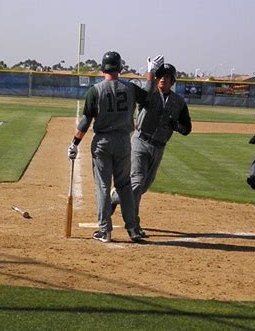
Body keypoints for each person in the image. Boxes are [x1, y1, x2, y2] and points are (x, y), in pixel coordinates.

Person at [67, 51, 164, 243]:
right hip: (123, 142)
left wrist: (74, 143)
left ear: (103, 68)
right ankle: (133, 229)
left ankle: (105, 230)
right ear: (120, 68)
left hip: (102, 142)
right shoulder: (129, 88)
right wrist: (151, 72)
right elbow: (148, 95)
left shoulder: (95, 90)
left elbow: (86, 121)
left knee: (103, 186)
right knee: (125, 186)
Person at [110, 63, 192, 237]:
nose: (163, 79)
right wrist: (150, 71)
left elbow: (187, 128)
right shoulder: (149, 94)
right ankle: (134, 226)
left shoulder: (178, 102)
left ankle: (116, 196)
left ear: (173, 81)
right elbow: (140, 96)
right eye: (160, 75)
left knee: (143, 186)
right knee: (137, 183)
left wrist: (176, 125)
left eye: (167, 77)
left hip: (159, 147)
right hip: (140, 142)